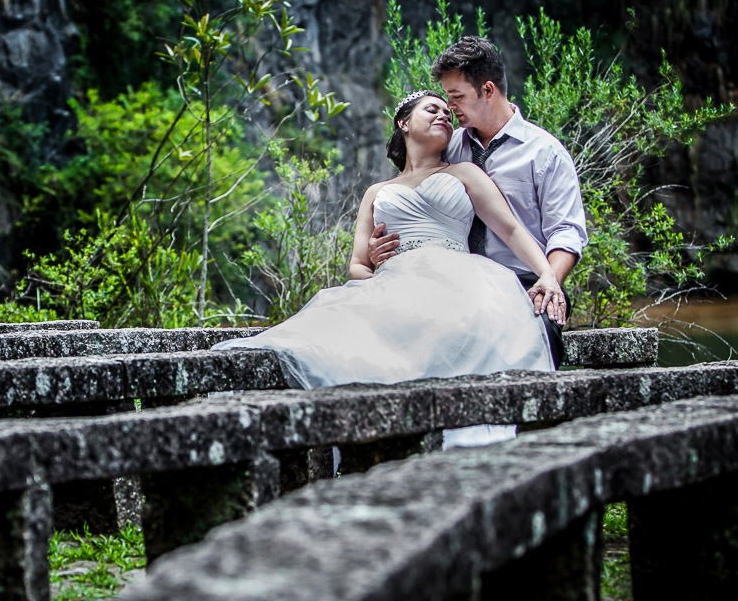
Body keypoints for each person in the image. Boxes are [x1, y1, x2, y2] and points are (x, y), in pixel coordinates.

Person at [213, 90, 565, 453]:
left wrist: (546, 275)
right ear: (405, 123)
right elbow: (356, 266)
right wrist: (376, 266)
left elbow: (509, 229)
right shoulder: (377, 192)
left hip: (460, 276)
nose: (444, 115)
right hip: (395, 279)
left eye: (448, 111)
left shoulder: (465, 173)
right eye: (432, 109)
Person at [369, 36, 588, 368]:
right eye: (445, 98)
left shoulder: (545, 152)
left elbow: (567, 232)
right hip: (454, 288)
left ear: (488, 90)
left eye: (456, 97)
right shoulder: (447, 144)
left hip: (525, 282)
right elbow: (411, 197)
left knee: (535, 342)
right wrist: (378, 248)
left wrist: (549, 280)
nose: (450, 107)